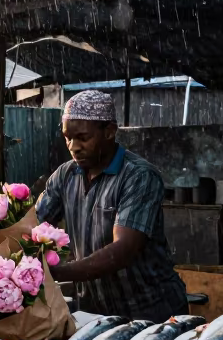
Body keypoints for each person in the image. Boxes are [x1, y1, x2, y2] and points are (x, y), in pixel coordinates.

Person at [35, 90, 187, 321]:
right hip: (95, 311)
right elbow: (33, 226)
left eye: (83, 138)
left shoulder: (138, 176)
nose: (73, 146)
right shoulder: (65, 175)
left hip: (150, 312)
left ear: (109, 132)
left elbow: (124, 250)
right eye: (68, 137)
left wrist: (55, 272)